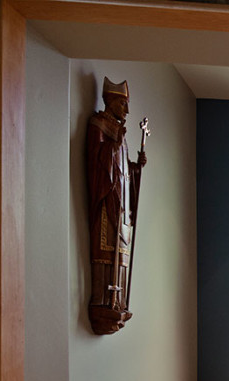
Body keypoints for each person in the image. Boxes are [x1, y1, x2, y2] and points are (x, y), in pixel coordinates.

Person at [86, 77, 146, 333]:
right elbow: (96, 160)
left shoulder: (119, 132)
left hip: (122, 203)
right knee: (105, 249)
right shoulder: (99, 124)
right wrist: (114, 144)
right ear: (111, 101)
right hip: (106, 198)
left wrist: (135, 168)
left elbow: (123, 171)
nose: (127, 111)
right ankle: (102, 299)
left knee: (121, 253)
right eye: (123, 104)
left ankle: (118, 300)